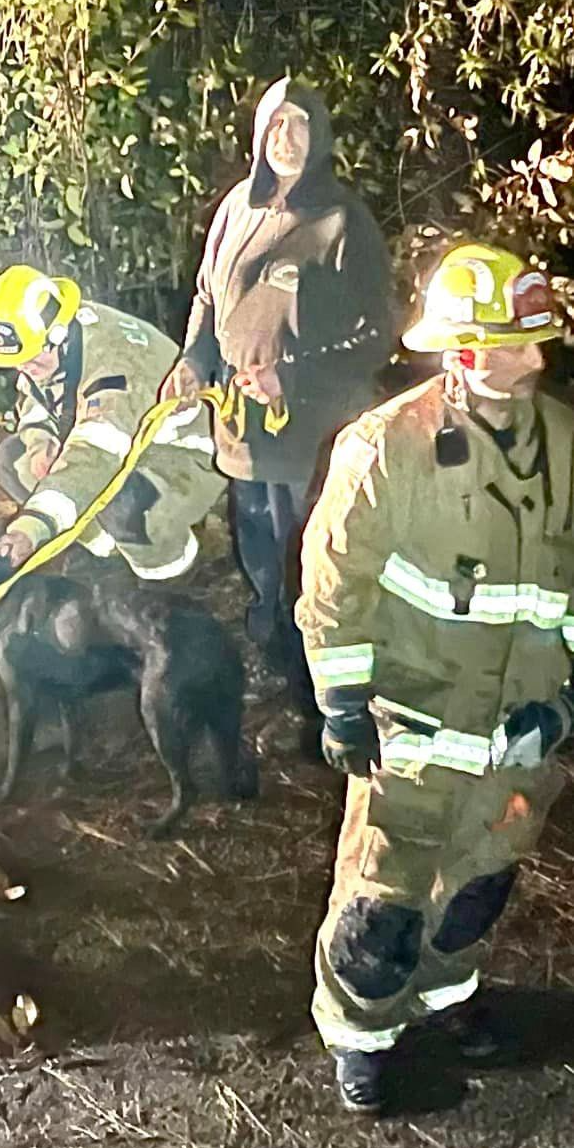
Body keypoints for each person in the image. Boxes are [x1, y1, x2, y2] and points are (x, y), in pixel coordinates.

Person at [297, 239, 574, 1114]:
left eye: (539, 342)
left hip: (523, 736)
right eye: (511, 345)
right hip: (412, 729)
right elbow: (333, 584)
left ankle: (450, 996)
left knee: (479, 888)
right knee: (383, 908)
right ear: (459, 352)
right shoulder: (384, 450)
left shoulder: (568, 444)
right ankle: (362, 1034)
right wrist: (341, 701)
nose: (535, 360)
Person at [163, 77, 393, 692]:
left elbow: (378, 334)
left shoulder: (344, 220)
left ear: (319, 136)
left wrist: (287, 378)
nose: (285, 137)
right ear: (258, 134)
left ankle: (321, 671)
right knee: (259, 540)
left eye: (299, 124)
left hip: (313, 427)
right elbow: (209, 295)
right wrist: (193, 359)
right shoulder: (237, 206)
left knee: (313, 549)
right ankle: (273, 646)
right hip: (241, 421)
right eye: (274, 124)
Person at [0, 265, 222, 580]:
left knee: (123, 504)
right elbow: (35, 399)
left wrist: (32, 527)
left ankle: (168, 572)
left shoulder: (117, 361)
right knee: (11, 461)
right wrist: (42, 443)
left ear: (58, 335)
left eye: (33, 358)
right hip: (116, 440)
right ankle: (104, 552)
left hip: (179, 453)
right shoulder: (49, 342)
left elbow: (96, 455)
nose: (25, 368)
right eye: (18, 361)